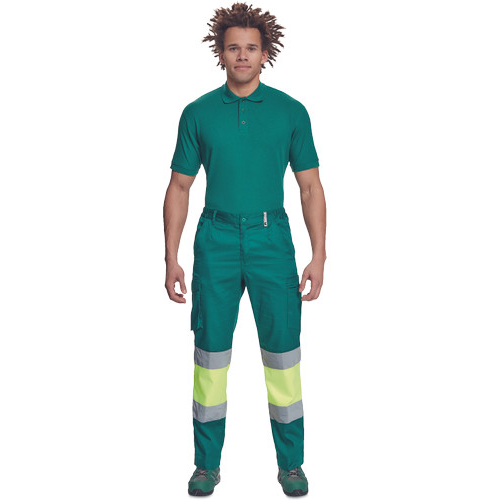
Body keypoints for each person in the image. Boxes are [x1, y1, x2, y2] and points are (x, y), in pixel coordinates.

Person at [163, 2, 326, 496]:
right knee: (211, 355)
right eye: (233, 47)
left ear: (264, 53)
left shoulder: (291, 112)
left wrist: (319, 255)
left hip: (271, 239)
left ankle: (291, 465)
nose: (242, 56)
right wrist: (171, 257)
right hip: (214, 240)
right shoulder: (197, 113)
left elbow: (310, 188)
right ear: (220, 52)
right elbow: (179, 187)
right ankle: (206, 466)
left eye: (251, 48)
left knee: (283, 355)